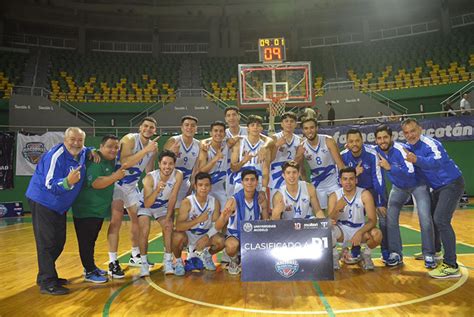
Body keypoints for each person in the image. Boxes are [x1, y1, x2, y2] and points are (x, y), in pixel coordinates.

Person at [26, 127, 90, 295]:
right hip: (43, 201)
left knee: (59, 242)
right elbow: (49, 183)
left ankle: (46, 275)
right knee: (46, 243)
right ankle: (47, 282)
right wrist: (67, 182)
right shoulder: (56, 156)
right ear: (65, 140)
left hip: (59, 206)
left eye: (80, 140)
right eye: (72, 139)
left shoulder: (82, 152)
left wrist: (94, 152)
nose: (76, 143)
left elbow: (87, 150)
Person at [402, 118, 465, 279]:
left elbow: (437, 161)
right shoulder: (408, 148)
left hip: (451, 183)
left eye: (413, 131)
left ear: (420, 129)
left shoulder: (431, 143)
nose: (410, 135)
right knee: (431, 218)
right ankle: (435, 251)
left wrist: (417, 160)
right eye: (407, 132)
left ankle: (451, 265)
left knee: (441, 220)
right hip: (437, 187)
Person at [374, 125, 436, 268]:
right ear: (376, 140)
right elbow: (361, 148)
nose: (382, 141)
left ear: (391, 137)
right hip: (399, 187)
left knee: (425, 219)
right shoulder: (376, 150)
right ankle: (396, 253)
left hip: (417, 185)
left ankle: (429, 254)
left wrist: (390, 167)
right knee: (390, 218)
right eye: (379, 138)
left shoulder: (401, 149)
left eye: (385, 137)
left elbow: (410, 172)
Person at [72, 135, 127, 283]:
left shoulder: (108, 160)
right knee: (86, 241)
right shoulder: (95, 161)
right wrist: (115, 176)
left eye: (116, 147)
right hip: (86, 209)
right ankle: (89, 271)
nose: (113, 150)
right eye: (110, 146)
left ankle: (90, 267)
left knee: (91, 240)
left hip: (97, 210)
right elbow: (96, 183)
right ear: (101, 147)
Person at [108, 117, 159, 277]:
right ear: (140, 127)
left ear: (154, 131)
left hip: (132, 187)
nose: (148, 129)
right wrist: (146, 150)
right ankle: (112, 261)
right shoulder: (130, 139)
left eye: (151, 127)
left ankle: (135, 255)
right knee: (115, 222)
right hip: (117, 183)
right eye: (145, 126)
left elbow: (149, 171)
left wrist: (151, 187)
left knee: (138, 219)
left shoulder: (153, 148)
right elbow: (125, 163)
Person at [340, 128, 388, 263]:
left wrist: (379, 202)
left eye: (357, 140)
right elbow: (341, 179)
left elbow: (378, 180)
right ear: (347, 143)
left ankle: (386, 252)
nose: (354, 144)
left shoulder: (372, 154)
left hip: (373, 192)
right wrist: (355, 173)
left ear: (362, 141)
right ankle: (354, 252)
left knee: (384, 221)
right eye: (351, 141)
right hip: (353, 195)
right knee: (355, 221)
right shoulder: (342, 156)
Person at [137, 150, 183, 277]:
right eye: (164, 163)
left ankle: (168, 261)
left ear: (174, 164)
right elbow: (147, 203)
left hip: (162, 205)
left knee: (168, 227)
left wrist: (168, 217)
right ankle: (144, 263)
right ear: (159, 164)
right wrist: (157, 190)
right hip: (146, 204)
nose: (167, 167)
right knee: (144, 229)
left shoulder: (178, 175)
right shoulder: (150, 178)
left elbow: (173, 197)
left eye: (170, 164)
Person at [215, 169, 269, 275]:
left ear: (257, 182)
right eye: (246, 180)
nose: (249, 182)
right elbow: (218, 226)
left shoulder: (261, 199)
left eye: (252, 180)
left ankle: (247, 258)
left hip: (253, 234)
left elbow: (266, 222)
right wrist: (223, 216)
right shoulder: (233, 200)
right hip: (236, 234)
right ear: (242, 182)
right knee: (231, 246)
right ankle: (234, 260)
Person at [328, 167, 382, 271]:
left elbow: (372, 220)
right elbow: (330, 221)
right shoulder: (334, 196)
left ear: (356, 180)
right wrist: (337, 209)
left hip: (359, 228)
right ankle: (334, 256)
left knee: (377, 234)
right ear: (340, 181)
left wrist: (360, 233)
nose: (348, 182)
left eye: (351, 179)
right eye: (345, 179)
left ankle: (366, 255)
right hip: (341, 230)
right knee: (328, 232)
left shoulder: (364, 194)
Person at [171, 172, 225, 276]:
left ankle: (207, 256)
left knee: (221, 241)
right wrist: (197, 220)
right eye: (200, 185)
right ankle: (178, 261)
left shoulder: (215, 202)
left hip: (205, 235)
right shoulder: (187, 202)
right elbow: (178, 226)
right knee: (176, 237)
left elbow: (216, 226)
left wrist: (207, 236)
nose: (203, 188)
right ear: (195, 186)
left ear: (210, 187)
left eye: (206, 185)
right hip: (189, 236)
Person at [295, 117, 344, 210]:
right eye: (306, 128)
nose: (309, 131)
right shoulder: (302, 146)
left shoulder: (328, 140)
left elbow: (339, 163)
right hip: (317, 181)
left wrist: (343, 180)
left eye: (312, 127)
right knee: (320, 210)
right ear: (303, 130)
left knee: (340, 208)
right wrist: (306, 184)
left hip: (333, 178)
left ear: (316, 128)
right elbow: (301, 168)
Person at [164, 116, 201, 209]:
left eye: (193, 125)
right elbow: (162, 163)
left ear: (196, 128)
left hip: (185, 184)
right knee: (169, 213)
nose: (189, 127)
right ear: (182, 127)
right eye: (186, 125)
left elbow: (196, 170)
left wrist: (191, 187)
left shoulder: (198, 145)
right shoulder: (173, 140)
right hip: (170, 182)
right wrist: (172, 154)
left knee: (184, 213)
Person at [230, 115, 270, 197]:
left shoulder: (265, 147)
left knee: (258, 208)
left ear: (261, 128)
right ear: (247, 128)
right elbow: (233, 168)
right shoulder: (239, 143)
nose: (255, 127)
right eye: (252, 125)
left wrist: (263, 189)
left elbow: (266, 172)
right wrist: (243, 161)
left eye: (258, 125)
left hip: (258, 181)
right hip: (241, 181)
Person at [269, 112, 303, 200]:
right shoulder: (274, 138)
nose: (289, 123)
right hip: (276, 174)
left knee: (291, 203)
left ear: (296, 124)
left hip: (292, 173)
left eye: (292, 121)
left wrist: (298, 157)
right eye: (286, 121)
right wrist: (276, 146)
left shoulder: (299, 140)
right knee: (277, 204)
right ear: (281, 124)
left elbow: (299, 162)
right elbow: (269, 160)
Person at [197, 121, 229, 210]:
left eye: (221, 131)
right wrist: (215, 159)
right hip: (206, 187)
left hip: (220, 187)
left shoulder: (227, 144)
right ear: (211, 133)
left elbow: (241, 138)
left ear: (224, 133)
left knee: (226, 213)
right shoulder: (205, 148)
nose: (218, 133)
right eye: (215, 131)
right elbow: (202, 171)